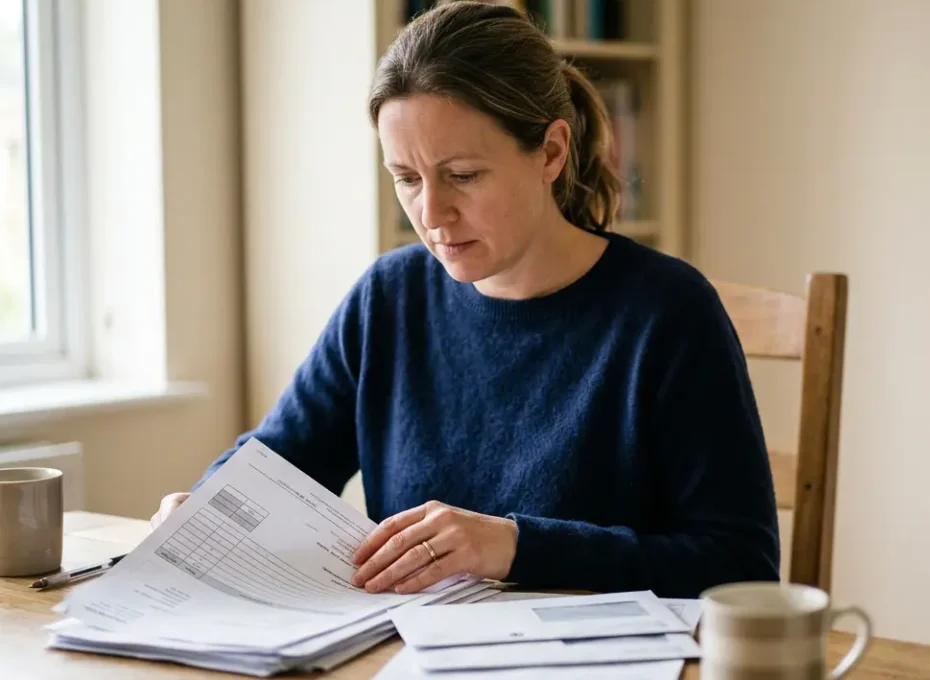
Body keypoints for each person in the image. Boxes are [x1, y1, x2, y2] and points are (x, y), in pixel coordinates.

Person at [150, 0, 779, 599]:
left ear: (551, 152)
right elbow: (278, 464)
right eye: (406, 179)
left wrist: (513, 545)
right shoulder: (387, 298)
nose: (432, 214)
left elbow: (740, 566)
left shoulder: (668, 313)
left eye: (463, 176)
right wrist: (206, 507)